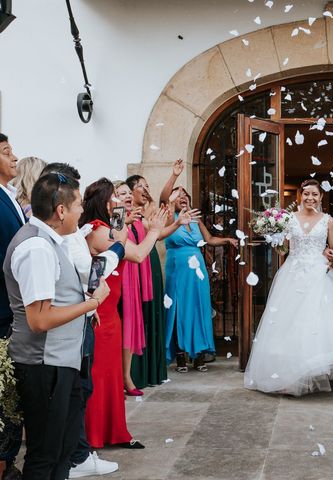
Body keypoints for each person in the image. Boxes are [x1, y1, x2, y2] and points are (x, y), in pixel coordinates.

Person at [4, 172, 111, 479]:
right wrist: (92, 303)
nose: (82, 211)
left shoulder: (50, 241)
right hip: (43, 364)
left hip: (60, 360)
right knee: (45, 456)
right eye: (78, 204)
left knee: (62, 451)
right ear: (61, 211)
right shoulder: (36, 247)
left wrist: (82, 294)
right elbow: (38, 320)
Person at [244, 179, 333, 395]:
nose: (310, 198)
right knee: (288, 325)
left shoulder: (328, 220)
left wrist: (329, 257)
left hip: (319, 275)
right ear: (300, 196)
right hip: (292, 274)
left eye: (315, 195)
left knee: (316, 325)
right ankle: (289, 375)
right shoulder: (288, 219)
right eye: (307, 194)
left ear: (321, 198)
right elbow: (283, 252)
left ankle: (311, 372)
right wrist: (274, 239)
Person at [79, 178, 168, 452]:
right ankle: (94, 436)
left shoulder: (107, 227)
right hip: (100, 314)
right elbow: (138, 254)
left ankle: (114, 431)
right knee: (100, 375)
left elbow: (120, 237)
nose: (120, 201)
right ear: (104, 202)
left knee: (111, 375)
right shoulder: (96, 231)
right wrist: (154, 231)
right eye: (114, 198)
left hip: (111, 313)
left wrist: (121, 216)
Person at [163, 186, 237, 372]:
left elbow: (209, 239)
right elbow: (164, 200)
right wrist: (172, 187)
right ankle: (180, 356)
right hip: (178, 270)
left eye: (186, 195)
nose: (184, 198)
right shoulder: (169, 217)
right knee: (179, 309)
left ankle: (198, 355)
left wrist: (227, 240)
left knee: (199, 309)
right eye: (179, 196)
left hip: (198, 272)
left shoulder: (196, 219)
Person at [126, 174, 168, 388]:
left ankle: (152, 370)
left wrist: (178, 223)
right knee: (138, 317)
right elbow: (161, 198)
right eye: (140, 186)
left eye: (147, 185)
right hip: (136, 265)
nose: (145, 189)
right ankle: (134, 373)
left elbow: (158, 234)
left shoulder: (144, 216)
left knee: (151, 315)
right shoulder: (128, 218)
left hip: (149, 262)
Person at [0, 133, 24, 480]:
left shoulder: (9, 197)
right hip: (3, 308)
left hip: (11, 308)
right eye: (6, 153)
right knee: (5, 393)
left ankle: (9, 460)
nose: (14, 157)